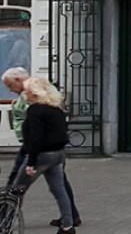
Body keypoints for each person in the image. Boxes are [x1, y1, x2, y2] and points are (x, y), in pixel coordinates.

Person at [16, 77, 78, 232]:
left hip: (42, 155)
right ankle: (68, 225)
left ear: (34, 93)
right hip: (57, 154)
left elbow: (36, 137)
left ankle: (6, 219)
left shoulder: (35, 110)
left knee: (17, 188)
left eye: (27, 91)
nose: (25, 94)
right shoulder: (56, 109)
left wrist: (31, 162)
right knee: (59, 189)